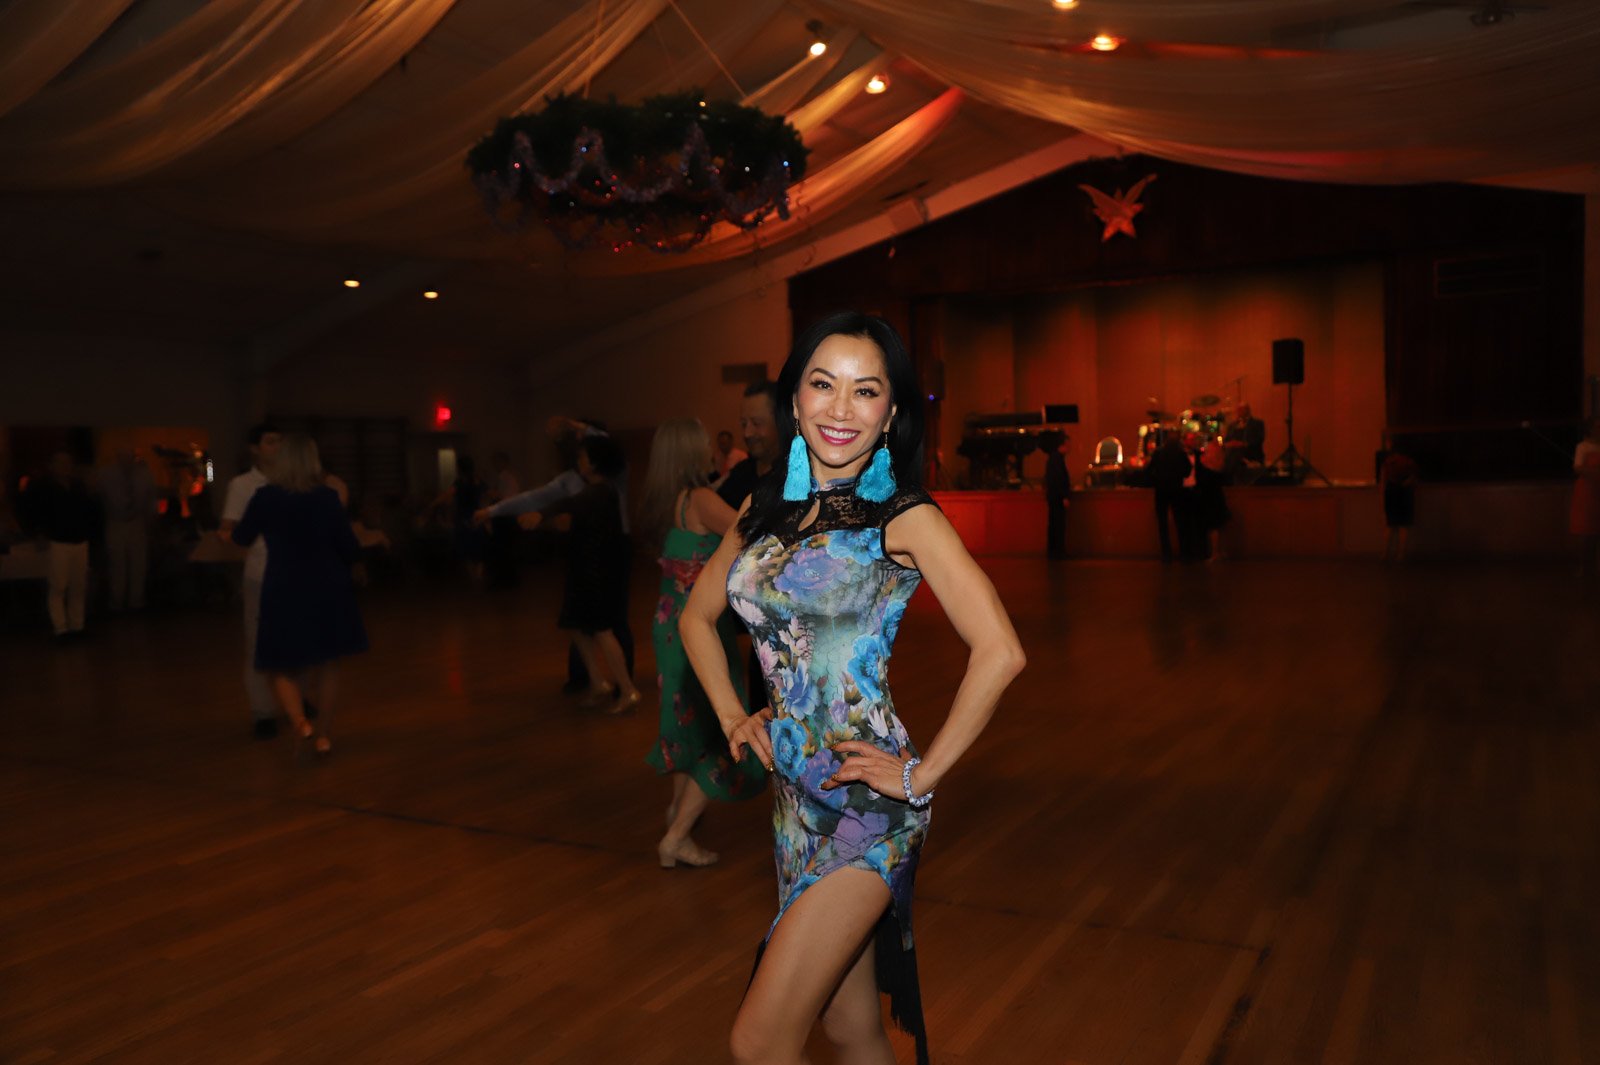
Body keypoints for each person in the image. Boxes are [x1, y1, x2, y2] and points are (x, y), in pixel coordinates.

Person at [679, 312, 1026, 1065]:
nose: (841, 408)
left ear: (890, 413)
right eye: (823, 384)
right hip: (792, 803)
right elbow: (696, 617)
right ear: (794, 400)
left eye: (865, 390)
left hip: (870, 805)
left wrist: (921, 777)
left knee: (758, 1041)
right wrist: (734, 714)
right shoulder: (762, 509)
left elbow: (1001, 651)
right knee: (848, 1028)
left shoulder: (903, 516)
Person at [640, 418, 767, 869]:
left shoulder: (663, 502)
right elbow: (752, 533)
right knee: (721, 731)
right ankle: (676, 835)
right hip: (700, 625)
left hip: (668, 622)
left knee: (687, 726)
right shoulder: (701, 499)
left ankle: (678, 817)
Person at [230, 435, 367, 756]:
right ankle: (323, 735)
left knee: (280, 663)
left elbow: (242, 536)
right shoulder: (327, 497)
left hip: (284, 584)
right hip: (327, 585)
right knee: (329, 663)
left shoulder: (266, 497)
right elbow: (348, 545)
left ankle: (300, 722)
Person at [478, 417, 635, 685]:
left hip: (612, 551)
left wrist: (576, 425)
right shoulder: (570, 479)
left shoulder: (612, 478)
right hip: (584, 552)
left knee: (609, 621)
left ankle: (623, 685)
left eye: (584, 448)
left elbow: (573, 500)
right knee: (579, 621)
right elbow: (533, 498)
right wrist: (493, 511)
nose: (578, 452)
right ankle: (590, 681)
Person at [520, 433, 640, 714]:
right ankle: (598, 683)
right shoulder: (597, 492)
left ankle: (628, 690)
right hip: (584, 569)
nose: (579, 461)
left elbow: (570, 505)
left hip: (596, 571)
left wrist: (542, 514)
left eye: (583, 456)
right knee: (576, 625)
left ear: (595, 463)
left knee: (602, 630)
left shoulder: (602, 491)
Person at [220, 423, 285, 739]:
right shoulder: (243, 485)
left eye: (280, 442)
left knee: (297, 639)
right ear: (255, 449)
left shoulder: (292, 480)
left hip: (294, 574)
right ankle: (263, 711)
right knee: (258, 642)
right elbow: (228, 528)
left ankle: (297, 698)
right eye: (271, 441)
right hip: (261, 572)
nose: (277, 447)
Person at [26, 451, 96, 638]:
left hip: (79, 540)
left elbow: (88, 510)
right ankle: (61, 628)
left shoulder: (78, 486)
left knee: (78, 586)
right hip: (58, 541)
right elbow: (34, 511)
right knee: (58, 586)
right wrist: (39, 533)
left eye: (68, 462)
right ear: (52, 465)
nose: (66, 466)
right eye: (61, 462)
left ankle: (77, 625)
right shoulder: (44, 487)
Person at [98, 448, 156, 611]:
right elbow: (100, 498)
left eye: (129, 456)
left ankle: (136, 600)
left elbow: (151, 498)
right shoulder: (106, 474)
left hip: (137, 522)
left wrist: (150, 521)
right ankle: (117, 600)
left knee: (138, 563)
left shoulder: (144, 475)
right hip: (115, 522)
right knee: (117, 564)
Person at [716, 381, 782, 508]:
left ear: (780, 422)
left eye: (756, 423)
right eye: (744, 424)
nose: (747, 433)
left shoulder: (796, 476)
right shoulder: (741, 473)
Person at [1147, 433, 1194, 563]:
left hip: (1161, 490)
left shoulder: (1158, 453)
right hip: (1177, 490)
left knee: (1162, 523)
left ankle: (1166, 553)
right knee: (1180, 522)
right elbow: (1187, 471)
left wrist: (1157, 479)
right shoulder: (1181, 454)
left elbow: (1149, 470)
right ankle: (1184, 552)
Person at [1195, 436, 1231, 562]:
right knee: (1220, 526)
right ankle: (1222, 551)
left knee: (1212, 527)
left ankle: (1215, 553)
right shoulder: (1219, 465)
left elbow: (1201, 480)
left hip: (1209, 498)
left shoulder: (1206, 466)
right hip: (1218, 497)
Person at [1574, 420, 1600, 578]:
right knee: (1586, 530)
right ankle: (1584, 566)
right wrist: (1593, 473)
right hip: (1587, 491)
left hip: (1598, 491)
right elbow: (1577, 467)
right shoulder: (1583, 447)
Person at [1040, 429, 1071, 559]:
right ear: (1062, 445)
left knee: (1053, 525)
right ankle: (1058, 551)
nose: (1069, 448)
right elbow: (1059, 479)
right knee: (1058, 525)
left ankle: (1053, 552)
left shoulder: (1053, 459)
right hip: (1058, 498)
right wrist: (1064, 496)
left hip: (1053, 497)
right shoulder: (1058, 459)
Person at [1224, 401, 1267, 476]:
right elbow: (1227, 439)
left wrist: (1245, 444)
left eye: (1241, 409)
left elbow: (1260, 438)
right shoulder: (1232, 426)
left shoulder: (1257, 423)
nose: (1239, 412)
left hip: (1252, 456)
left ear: (1248, 410)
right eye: (1238, 410)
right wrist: (1230, 444)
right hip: (1234, 459)